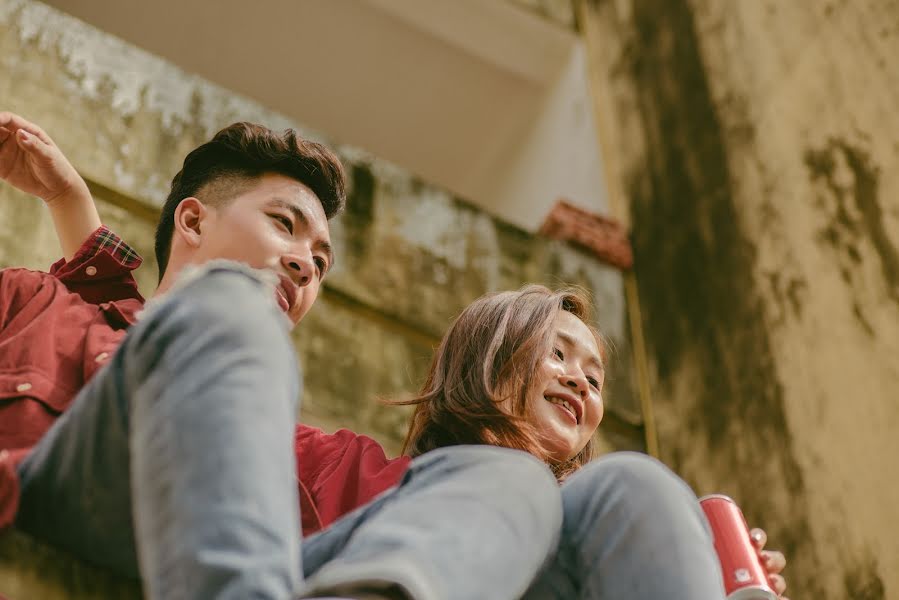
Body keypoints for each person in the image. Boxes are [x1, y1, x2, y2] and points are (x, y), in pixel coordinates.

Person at [0, 112, 563, 600]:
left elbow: (448, 504)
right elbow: (154, 321)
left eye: (320, 263)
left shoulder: (309, 458)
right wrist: (71, 205)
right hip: (44, 506)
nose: (304, 266)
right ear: (193, 220)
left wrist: (530, 409)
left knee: (548, 483)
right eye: (284, 225)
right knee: (225, 298)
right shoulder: (35, 307)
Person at [394, 285, 790, 599]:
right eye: (556, 353)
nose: (580, 382)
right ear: (488, 362)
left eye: (595, 380)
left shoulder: (604, 519)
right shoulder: (396, 494)